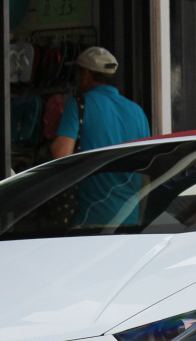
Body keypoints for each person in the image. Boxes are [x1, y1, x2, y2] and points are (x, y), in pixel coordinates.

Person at [51, 46, 150, 224]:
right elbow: (146, 172)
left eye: (77, 72)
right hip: (129, 219)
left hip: (90, 217)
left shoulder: (79, 104)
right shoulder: (137, 112)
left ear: (87, 74)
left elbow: (60, 154)